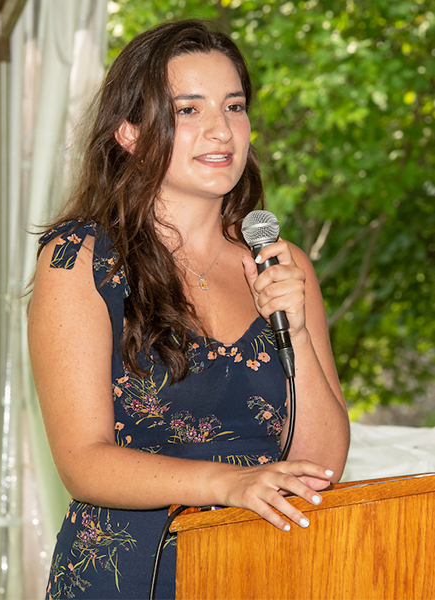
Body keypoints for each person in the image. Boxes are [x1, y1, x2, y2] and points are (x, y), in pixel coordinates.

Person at [28, 19, 350, 600]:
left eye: (234, 105)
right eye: (188, 110)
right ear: (129, 132)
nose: (221, 130)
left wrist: (296, 333)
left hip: (264, 569)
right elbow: (82, 460)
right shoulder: (80, 259)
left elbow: (319, 467)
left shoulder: (281, 263)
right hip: (133, 573)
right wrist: (228, 483)